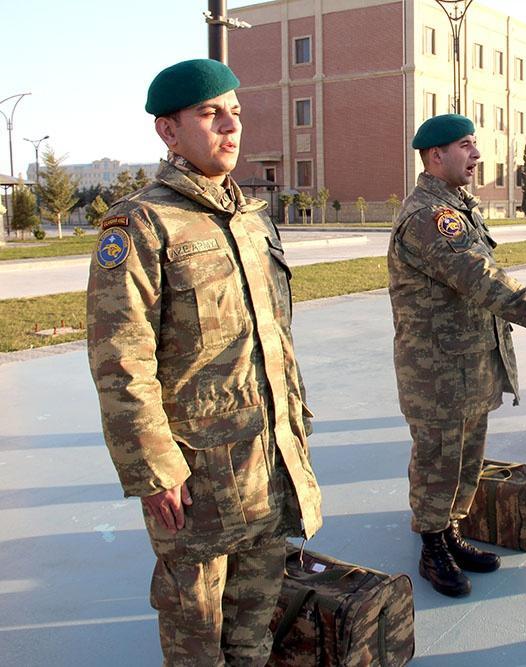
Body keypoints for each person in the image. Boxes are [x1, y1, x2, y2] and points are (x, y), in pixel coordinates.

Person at [86, 59, 323, 665]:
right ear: (168, 131)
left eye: (236, 111)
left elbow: (275, 339)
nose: (230, 126)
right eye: (210, 113)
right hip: (197, 477)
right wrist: (154, 467)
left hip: (267, 459)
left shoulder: (249, 217)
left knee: (254, 625)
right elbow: (121, 359)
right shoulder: (140, 224)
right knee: (195, 633)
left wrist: (295, 421)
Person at [387, 114, 526, 598]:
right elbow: (486, 282)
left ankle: (451, 531)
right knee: (440, 459)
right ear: (435, 155)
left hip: (468, 361)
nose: (477, 155)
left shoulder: (457, 206)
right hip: (437, 369)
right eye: (467, 146)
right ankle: (432, 544)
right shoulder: (429, 216)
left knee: (466, 458)